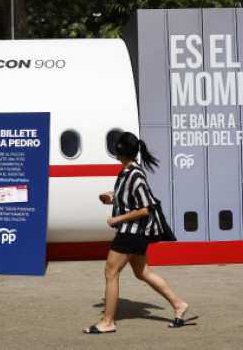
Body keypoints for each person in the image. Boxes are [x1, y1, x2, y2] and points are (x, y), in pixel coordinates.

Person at [83, 131, 195, 334]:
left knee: (111, 272)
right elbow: (130, 201)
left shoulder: (135, 174)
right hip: (133, 232)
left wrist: (117, 218)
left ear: (121, 151)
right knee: (142, 272)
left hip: (132, 232)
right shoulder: (127, 171)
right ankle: (179, 304)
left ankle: (108, 321)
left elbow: (145, 208)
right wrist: (113, 198)